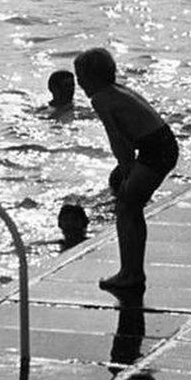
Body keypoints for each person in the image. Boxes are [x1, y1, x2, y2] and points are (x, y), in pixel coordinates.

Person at [74, 47, 178, 291]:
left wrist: (126, 168)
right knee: (131, 207)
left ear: (92, 77)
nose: (79, 83)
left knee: (126, 206)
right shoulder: (117, 90)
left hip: (156, 150)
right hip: (162, 144)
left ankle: (130, 273)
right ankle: (132, 271)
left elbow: (118, 139)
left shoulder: (101, 98)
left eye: (80, 77)